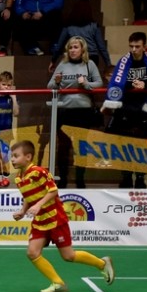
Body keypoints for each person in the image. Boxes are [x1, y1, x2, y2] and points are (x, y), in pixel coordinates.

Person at [9, 140, 115, 292]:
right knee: (32, 252)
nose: (12, 159)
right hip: (40, 221)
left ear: (28, 157)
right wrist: (23, 211)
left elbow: (53, 191)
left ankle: (102, 264)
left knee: (68, 256)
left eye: (16, 156)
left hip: (55, 219)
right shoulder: (19, 178)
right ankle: (58, 283)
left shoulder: (39, 172)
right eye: (12, 156)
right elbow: (28, 197)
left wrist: (38, 205)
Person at [101, 31, 147, 188]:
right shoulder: (124, 61)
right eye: (131, 46)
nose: (134, 50)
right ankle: (126, 176)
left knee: (141, 145)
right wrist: (132, 84)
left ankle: (140, 177)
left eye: (137, 46)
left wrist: (144, 84)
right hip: (125, 108)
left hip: (141, 109)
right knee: (124, 144)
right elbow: (117, 82)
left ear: (144, 46)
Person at [50, 37, 103, 188]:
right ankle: (63, 179)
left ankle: (80, 179)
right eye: (70, 47)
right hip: (65, 110)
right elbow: (50, 85)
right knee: (63, 146)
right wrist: (57, 82)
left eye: (76, 47)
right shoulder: (63, 64)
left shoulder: (89, 64)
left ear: (82, 49)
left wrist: (86, 84)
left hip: (83, 112)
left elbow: (99, 83)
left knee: (81, 147)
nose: (73, 50)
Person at [49, 0, 110, 70]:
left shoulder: (68, 27)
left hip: (75, 57)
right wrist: (108, 64)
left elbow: (59, 46)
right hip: (92, 57)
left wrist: (53, 60)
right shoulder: (94, 26)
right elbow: (102, 47)